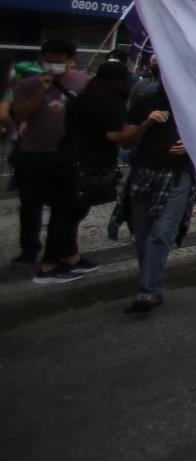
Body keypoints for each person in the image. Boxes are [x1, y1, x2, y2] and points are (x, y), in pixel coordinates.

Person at [30, 60, 129, 283]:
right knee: (67, 215)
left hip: (65, 159)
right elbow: (113, 135)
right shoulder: (111, 101)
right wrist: (139, 130)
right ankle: (49, 265)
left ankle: (71, 257)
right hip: (84, 165)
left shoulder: (84, 99)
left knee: (68, 212)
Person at [120, 58, 196, 314]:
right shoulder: (145, 102)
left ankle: (147, 291)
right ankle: (150, 284)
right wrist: (147, 124)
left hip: (177, 175)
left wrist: (190, 144)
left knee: (161, 233)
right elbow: (126, 141)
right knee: (142, 235)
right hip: (144, 173)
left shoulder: (195, 103)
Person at [9, 39, 89, 267]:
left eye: (59, 62)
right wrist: (42, 89)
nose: (53, 65)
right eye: (48, 61)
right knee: (30, 203)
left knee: (65, 206)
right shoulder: (29, 84)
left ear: (71, 60)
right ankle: (29, 248)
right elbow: (21, 114)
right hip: (32, 152)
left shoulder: (83, 82)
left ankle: (63, 251)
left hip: (66, 155)